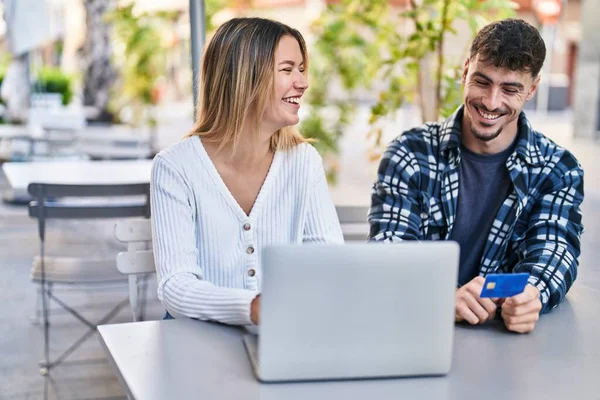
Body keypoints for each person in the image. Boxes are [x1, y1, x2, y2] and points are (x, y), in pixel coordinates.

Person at [369, 19, 584, 334]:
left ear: (532, 89)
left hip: (504, 344)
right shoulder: (409, 153)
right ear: (465, 70)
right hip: (414, 331)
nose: (491, 102)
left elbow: (554, 249)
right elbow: (388, 251)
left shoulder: (557, 169)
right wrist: (443, 297)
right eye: (482, 82)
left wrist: (531, 294)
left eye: (510, 89)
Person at [151, 18, 343, 326]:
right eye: (287, 69)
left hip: (283, 339)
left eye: (302, 69)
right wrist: (254, 307)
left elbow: (329, 262)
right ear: (245, 77)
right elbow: (176, 286)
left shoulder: (303, 162)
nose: (303, 82)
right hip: (195, 342)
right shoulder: (176, 167)